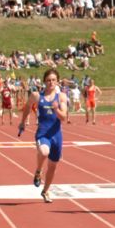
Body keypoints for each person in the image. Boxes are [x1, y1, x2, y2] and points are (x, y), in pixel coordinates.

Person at [18, 69, 68, 203]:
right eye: (48, 80)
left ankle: (45, 191)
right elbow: (28, 106)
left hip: (56, 135)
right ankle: (38, 170)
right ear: (44, 81)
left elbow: (63, 117)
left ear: (57, 81)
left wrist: (56, 109)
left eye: (53, 80)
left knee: (53, 167)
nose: (51, 82)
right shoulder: (37, 96)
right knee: (44, 151)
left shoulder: (61, 96)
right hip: (43, 133)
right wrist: (23, 122)